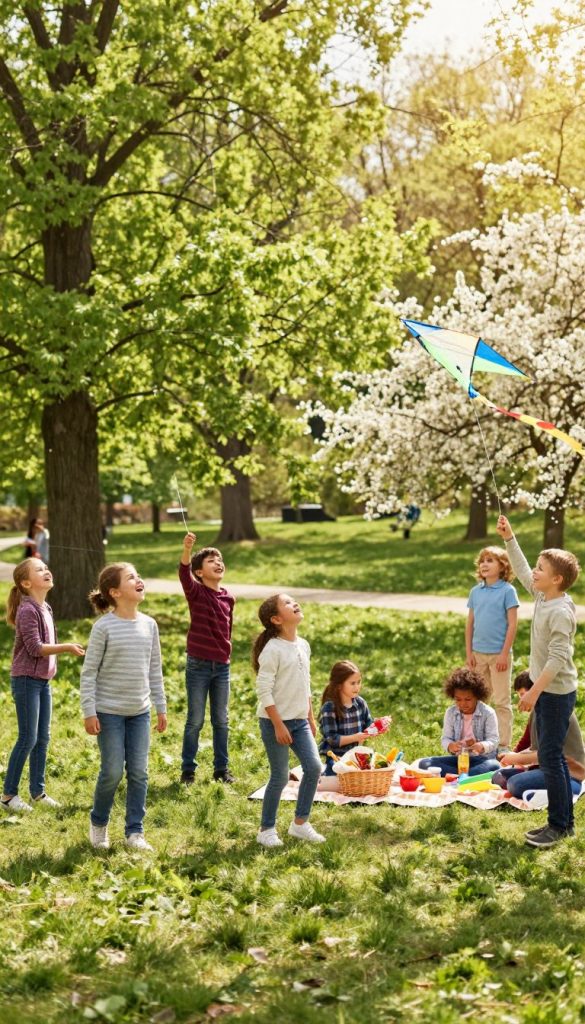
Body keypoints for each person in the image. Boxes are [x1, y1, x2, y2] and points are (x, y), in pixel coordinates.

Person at [496, 514, 580, 848]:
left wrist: (533, 692)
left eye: (541, 569)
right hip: (546, 691)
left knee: (551, 758)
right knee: (549, 757)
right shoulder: (545, 596)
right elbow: (521, 568)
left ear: (557, 579)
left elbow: (558, 660)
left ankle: (558, 826)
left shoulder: (560, 611)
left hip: (555, 693)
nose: (535, 572)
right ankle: (564, 824)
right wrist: (509, 538)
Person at [81, 563, 167, 851]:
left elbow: (155, 669)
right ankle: (99, 822)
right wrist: (89, 711)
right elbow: (89, 672)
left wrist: (161, 706)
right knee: (112, 771)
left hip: (140, 713)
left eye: (139, 575)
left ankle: (134, 832)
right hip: (109, 713)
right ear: (115, 592)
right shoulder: (103, 627)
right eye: (132, 577)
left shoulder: (149, 625)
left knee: (140, 772)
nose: (139, 579)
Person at [1, 559, 85, 812]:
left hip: (42, 681)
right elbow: (35, 648)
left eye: (47, 567)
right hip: (26, 680)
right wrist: (67, 647)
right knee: (28, 737)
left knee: (42, 737)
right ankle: (7, 796)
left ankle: (37, 792)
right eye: (39, 570)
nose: (47, 570)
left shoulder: (45, 606)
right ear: (26, 583)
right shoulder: (28, 610)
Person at [253, 593, 325, 848]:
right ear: (276, 619)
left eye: (293, 600)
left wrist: (310, 716)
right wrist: (278, 724)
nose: (294, 603)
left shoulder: (302, 645)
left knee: (314, 767)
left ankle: (300, 824)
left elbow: (305, 685)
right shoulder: (272, 649)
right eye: (287, 603)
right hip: (275, 721)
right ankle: (266, 829)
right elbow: (263, 691)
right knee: (280, 776)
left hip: (300, 720)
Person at [178, 532, 235, 785]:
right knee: (195, 720)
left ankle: (221, 770)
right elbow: (183, 573)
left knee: (221, 720)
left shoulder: (228, 597)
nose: (218, 562)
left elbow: (227, 628)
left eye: (219, 559)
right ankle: (188, 770)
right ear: (199, 572)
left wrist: (227, 651)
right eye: (211, 560)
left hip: (222, 666)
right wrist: (187, 549)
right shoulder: (196, 592)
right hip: (199, 665)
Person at [493, 674, 585, 801]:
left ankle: (562, 791)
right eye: (520, 695)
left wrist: (514, 759)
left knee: (514, 784)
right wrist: (512, 756)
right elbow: (534, 748)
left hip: (567, 775)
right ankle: (539, 792)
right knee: (498, 777)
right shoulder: (537, 711)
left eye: (523, 694)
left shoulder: (554, 711)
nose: (521, 700)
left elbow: (544, 755)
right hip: (546, 769)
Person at [466, 545, 519, 752]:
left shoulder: (508, 591)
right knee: (479, 700)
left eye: (490, 560)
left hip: (499, 656)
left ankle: (503, 745)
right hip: (477, 655)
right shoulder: (475, 592)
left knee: (501, 701)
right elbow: (470, 623)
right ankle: (480, 743)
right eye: (482, 561)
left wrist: (504, 654)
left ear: (503, 566)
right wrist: (469, 653)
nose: (484, 564)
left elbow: (513, 624)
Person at [418, 666, 501, 778]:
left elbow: (494, 740)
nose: (462, 704)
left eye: (468, 699)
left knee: (494, 765)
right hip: (458, 760)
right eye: (458, 699)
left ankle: (456, 776)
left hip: (481, 760)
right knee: (425, 763)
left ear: (477, 696)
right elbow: (445, 738)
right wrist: (450, 746)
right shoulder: (451, 712)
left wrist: (481, 746)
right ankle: (466, 777)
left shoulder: (488, 713)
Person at [319, 660, 391, 774]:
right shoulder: (330, 708)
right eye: (352, 683)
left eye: (359, 682)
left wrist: (378, 726)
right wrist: (356, 737)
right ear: (339, 685)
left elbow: (368, 726)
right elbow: (332, 740)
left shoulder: (360, 703)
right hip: (336, 758)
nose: (357, 687)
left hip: (357, 757)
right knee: (336, 779)